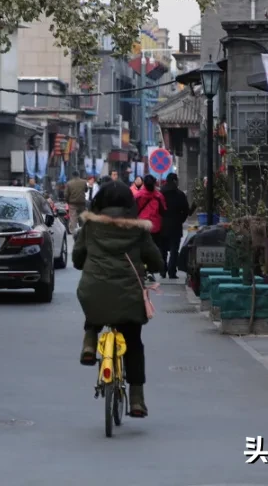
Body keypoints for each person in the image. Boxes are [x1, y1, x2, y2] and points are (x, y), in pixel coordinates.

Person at [73, 181, 164, 418]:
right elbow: (155, 261)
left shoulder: (90, 227)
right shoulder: (139, 230)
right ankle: (136, 400)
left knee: (95, 303)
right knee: (133, 343)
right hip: (129, 295)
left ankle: (90, 343)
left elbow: (77, 257)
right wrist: (154, 265)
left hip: (93, 291)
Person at [160, 173, 191, 279]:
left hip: (162, 225)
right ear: (174, 181)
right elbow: (186, 211)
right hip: (176, 225)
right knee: (174, 249)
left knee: (162, 249)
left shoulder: (160, 194)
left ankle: (162, 270)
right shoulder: (180, 194)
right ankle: (172, 271)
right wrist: (180, 220)